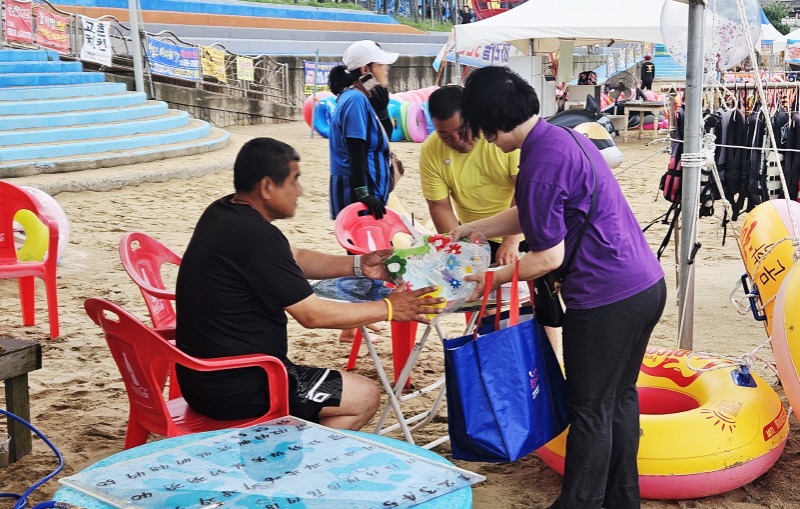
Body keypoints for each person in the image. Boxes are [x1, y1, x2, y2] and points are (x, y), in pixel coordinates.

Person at [454, 66, 666, 509]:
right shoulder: (563, 136)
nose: (485, 139)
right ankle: (621, 500)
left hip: (606, 298)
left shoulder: (539, 164)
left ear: (494, 124)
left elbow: (547, 258)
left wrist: (487, 281)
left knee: (589, 409)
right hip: (644, 284)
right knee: (618, 398)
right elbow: (535, 211)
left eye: (482, 130)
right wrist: (475, 227)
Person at [175, 137, 444, 431]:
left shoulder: (223, 212)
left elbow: (296, 258)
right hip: (241, 386)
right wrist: (389, 308)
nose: (300, 191)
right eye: (294, 181)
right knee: (364, 396)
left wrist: (358, 264)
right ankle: (300, 465)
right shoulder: (258, 237)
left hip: (200, 378)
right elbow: (313, 315)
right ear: (267, 187)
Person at [328, 40, 399, 342]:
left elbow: (385, 134)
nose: (386, 70)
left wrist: (382, 110)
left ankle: (356, 319)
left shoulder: (359, 98)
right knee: (364, 256)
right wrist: (362, 192)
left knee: (364, 255)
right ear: (366, 70)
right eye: (381, 65)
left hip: (364, 184)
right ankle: (350, 324)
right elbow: (357, 149)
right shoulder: (356, 101)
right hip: (358, 186)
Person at [420, 84, 526, 266]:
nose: (456, 141)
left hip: (522, 232)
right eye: (445, 136)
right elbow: (440, 206)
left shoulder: (504, 138)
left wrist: (510, 241)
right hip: (474, 238)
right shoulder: (431, 150)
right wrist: (460, 249)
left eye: (462, 131)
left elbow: (525, 192)